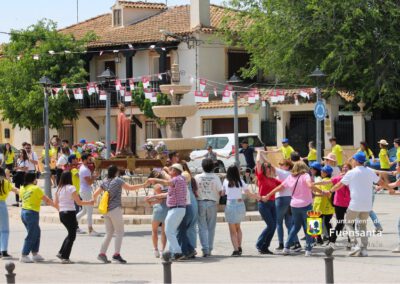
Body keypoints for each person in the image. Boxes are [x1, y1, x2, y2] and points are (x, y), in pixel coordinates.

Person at [329, 152, 391, 257]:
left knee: (348, 223)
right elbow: (381, 182)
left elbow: (339, 185)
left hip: (355, 204)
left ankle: (355, 245)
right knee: (363, 225)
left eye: (353, 159)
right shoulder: (369, 171)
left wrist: (330, 190)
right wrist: (390, 189)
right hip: (367, 205)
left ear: (357, 161)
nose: (352, 161)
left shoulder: (351, 172)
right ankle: (364, 249)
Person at [266, 161, 326, 256]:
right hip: (306, 205)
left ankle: (286, 247)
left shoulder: (290, 177)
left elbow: (279, 187)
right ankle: (308, 250)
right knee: (310, 228)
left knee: (295, 227)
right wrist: (322, 192)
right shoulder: (305, 175)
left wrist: (268, 195)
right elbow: (310, 185)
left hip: (294, 205)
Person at [93, 165, 146, 264]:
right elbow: (130, 188)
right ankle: (116, 254)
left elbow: (95, 194)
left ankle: (102, 253)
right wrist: (144, 185)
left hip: (106, 210)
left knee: (109, 232)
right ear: (116, 172)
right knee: (120, 232)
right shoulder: (117, 180)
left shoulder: (104, 181)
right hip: (115, 210)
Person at [147, 163, 187, 261]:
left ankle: (178, 252)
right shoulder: (180, 180)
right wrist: (154, 196)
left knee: (168, 231)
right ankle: (172, 253)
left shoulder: (176, 179)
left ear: (175, 171)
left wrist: (155, 179)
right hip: (178, 209)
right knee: (170, 231)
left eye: (171, 169)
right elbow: (167, 194)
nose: (169, 171)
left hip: (176, 209)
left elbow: (166, 182)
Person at [54, 171, 95, 264]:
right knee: (72, 236)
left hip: (62, 214)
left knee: (70, 234)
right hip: (70, 213)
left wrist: (61, 210)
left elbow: (56, 204)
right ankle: (65, 257)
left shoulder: (59, 189)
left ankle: (61, 253)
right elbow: (79, 202)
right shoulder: (71, 188)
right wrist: (89, 202)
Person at [19, 172, 56, 263]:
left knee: (36, 232)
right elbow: (46, 200)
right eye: (36, 178)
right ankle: (24, 254)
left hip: (24, 212)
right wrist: (56, 206)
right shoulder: (36, 188)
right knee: (32, 234)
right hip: (31, 213)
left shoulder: (23, 188)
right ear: (33, 179)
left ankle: (35, 253)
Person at [223, 165, 259, 256]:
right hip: (240, 204)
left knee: (232, 230)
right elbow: (248, 193)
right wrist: (258, 197)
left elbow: (223, 193)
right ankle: (239, 247)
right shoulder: (241, 181)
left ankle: (235, 250)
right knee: (238, 227)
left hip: (230, 204)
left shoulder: (226, 181)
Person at [194, 158, 223, 257]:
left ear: (202, 166)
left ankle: (205, 249)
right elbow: (221, 191)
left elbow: (194, 190)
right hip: (212, 203)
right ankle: (209, 248)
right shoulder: (215, 177)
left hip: (200, 202)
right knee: (211, 227)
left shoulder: (197, 177)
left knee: (202, 227)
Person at [254, 151, 280, 254]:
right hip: (264, 204)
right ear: (264, 169)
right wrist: (259, 153)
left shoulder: (274, 180)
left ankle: (265, 246)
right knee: (270, 225)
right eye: (267, 167)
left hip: (273, 204)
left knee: (273, 226)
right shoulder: (261, 177)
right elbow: (258, 163)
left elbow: (284, 185)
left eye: (269, 166)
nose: (269, 168)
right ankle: (259, 244)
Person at [273, 159, 300, 251]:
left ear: (288, 166)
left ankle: (281, 243)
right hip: (290, 198)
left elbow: (269, 165)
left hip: (281, 198)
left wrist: (261, 153)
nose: (280, 166)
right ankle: (296, 243)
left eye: (282, 164)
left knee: (279, 222)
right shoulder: (292, 174)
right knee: (289, 223)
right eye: (279, 164)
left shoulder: (283, 173)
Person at [177, 162, 198, 259]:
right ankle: (191, 249)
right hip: (193, 201)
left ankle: (186, 250)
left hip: (187, 203)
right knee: (191, 228)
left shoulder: (183, 176)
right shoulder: (191, 177)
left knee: (182, 229)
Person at [145, 170, 168, 258]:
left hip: (159, 209)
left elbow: (159, 199)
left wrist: (149, 202)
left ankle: (156, 250)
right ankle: (162, 250)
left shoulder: (157, 186)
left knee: (154, 231)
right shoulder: (166, 185)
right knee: (163, 232)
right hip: (167, 209)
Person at [76, 154, 100, 236]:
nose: (90, 161)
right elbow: (89, 182)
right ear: (84, 160)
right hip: (86, 191)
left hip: (84, 190)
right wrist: (94, 177)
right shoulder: (84, 169)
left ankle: (73, 223)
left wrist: (93, 176)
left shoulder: (84, 168)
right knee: (89, 211)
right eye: (89, 159)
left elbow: (89, 180)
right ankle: (90, 230)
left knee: (84, 210)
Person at [329, 163, 352, 248]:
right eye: (343, 168)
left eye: (347, 168)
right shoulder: (338, 178)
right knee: (339, 223)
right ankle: (332, 242)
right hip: (339, 203)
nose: (345, 169)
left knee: (351, 223)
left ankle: (350, 242)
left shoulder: (352, 178)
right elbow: (328, 181)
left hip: (350, 203)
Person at [312, 165, 335, 246]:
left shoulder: (326, 181)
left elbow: (325, 193)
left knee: (315, 221)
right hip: (327, 206)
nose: (321, 172)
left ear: (326, 173)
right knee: (327, 223)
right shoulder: (328, 180)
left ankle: (318, 239)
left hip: (321, 205)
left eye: (322, 171)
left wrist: (315, 194)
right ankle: (330, 239)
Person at [0, 168, 19, 259]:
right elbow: (15, 190)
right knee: (4, 229)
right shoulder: (5, 182)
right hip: (2, 205)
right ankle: (3, 250)